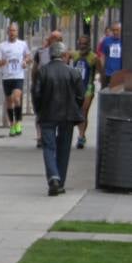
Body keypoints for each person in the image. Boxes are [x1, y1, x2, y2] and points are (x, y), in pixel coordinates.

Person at [32, 40, 85, 196]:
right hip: (68, 115)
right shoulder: (73, 72)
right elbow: (81, 96)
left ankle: (53, 178)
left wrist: (38, 111)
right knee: (64, 149)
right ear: (64, 55)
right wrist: (75, 107)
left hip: (47, 114)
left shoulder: (43, 71)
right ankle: (59, 181)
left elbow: (36, 93)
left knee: (48, 147)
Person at [0, 23, 31, 136]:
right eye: (10, 31)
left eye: (14, 31)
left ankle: (18, 122)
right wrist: (3, 62)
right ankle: (12, 124)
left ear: (17, 32)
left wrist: (25, 61)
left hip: (18, 76)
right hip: (7, 77)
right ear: (7, 32)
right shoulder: (2, 46)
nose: (12, 33)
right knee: (9, 102)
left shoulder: (22, 44)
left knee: (17, 98)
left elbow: (28, 56)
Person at [68, 34, 102, 149]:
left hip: (88, 88)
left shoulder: (94, 58)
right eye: (81, 44)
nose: (82, 46)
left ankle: (81, 137)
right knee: (77, 112)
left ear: (89, 45)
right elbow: (65, 62)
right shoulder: (74, 54)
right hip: (75, 88)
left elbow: (101, 71)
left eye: (85, 44)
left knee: (83, 112)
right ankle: (82, 133)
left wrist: (103, 83)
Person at [29, 29, 62, 145]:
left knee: (55, 113)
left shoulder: (63, 53)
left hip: (57, 88)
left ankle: (51, 135)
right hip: (42, 86)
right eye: (53, 38)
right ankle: (39, 136)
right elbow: (34, 69)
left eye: (58, 39)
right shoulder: (41, 52)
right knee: (40, 112)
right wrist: (34, 85)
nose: (54, 41)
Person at [97, 21, 123, 87]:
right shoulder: (106, 40)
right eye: (113, 30)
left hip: (120, 74)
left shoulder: (124, 40)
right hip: (108, 73)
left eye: (117, 30)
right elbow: (103, 56)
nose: (115, 32)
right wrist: (102, 72)